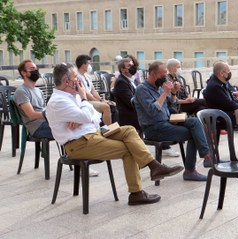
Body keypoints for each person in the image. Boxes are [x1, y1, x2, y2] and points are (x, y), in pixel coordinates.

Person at [46, 63, 183, 205]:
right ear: (66, 81)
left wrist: (83, 117)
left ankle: (154, 167)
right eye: (76, 77)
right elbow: (87, 116)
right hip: (78, 144)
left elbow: (95, 117)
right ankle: (137, 192)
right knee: (130, 149)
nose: (79, 81)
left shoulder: (73, 96)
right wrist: (84, 104)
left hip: (94, 134)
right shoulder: (59, 101)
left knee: (129, 130)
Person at [134, 61, 210, 181]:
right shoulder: (141, 89)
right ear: (153, 74)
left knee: (195, 122)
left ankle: (206, 155)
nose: (165, 77)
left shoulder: (158, 87)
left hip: (167, 122)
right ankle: (191, 169)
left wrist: (173, 92)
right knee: (193, 135)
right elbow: (152, 111)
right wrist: (165, 92)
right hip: (154, 128)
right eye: (162, 74)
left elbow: (172, 102)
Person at [75, 54, 113, 125]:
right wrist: (100, 102)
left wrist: (101, 100)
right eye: (88, 63)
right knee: (106, 107)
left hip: (91, 100)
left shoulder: (87, 77)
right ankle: (109, 130)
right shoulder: (77, 78)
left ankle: (111, 127)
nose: (90, 66)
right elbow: (86, 94)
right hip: (84, 101)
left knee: (111, 105)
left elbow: (93, 91)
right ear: (83, 65)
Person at [112, 57, 141, 131]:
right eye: (129, 66)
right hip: (129, 118)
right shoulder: (121, 82)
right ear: (122, 69)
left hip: (137, 115)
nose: (132, 68)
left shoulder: (132, 80)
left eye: (132, 65)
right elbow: (131, 102)